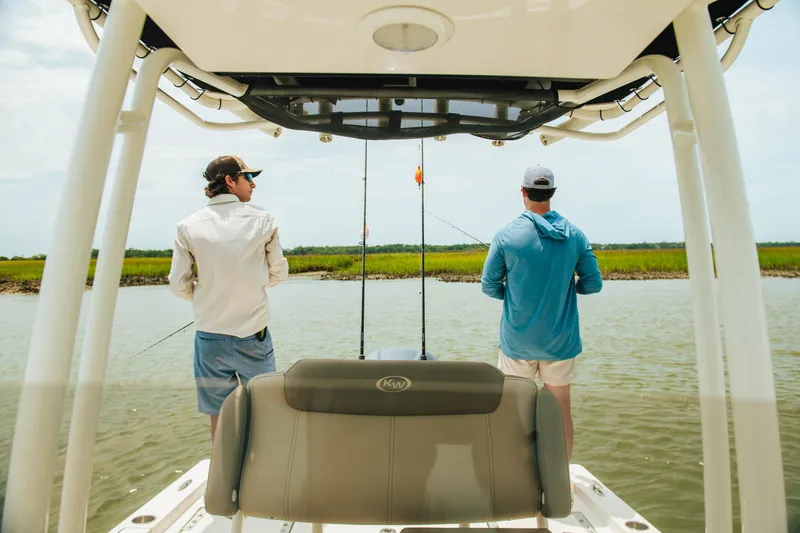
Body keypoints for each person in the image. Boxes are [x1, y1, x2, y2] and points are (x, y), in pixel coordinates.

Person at [481, 165, 602, 460]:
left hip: (517, 342)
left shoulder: (506, 235)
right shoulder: (575, 235)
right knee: (561, 410)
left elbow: (489, 286)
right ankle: (559, 478)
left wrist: (514, 295)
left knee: (514, 411)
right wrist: (566, 289)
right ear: (552, 193)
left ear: (523, 192)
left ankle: (516, 477)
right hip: (560, 343)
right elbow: (593, 284)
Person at [168, 155, 289, 441]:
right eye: (248, 178)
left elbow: (178, 284)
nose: (253, 184)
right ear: (229, 181)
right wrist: (254, 284)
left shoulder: (187, 226)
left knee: (219, 415)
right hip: (254, 337)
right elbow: (279, 273)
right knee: (264, 409)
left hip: (210, 338)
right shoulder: (264, 220)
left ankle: (225, 477)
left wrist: (207, 297)